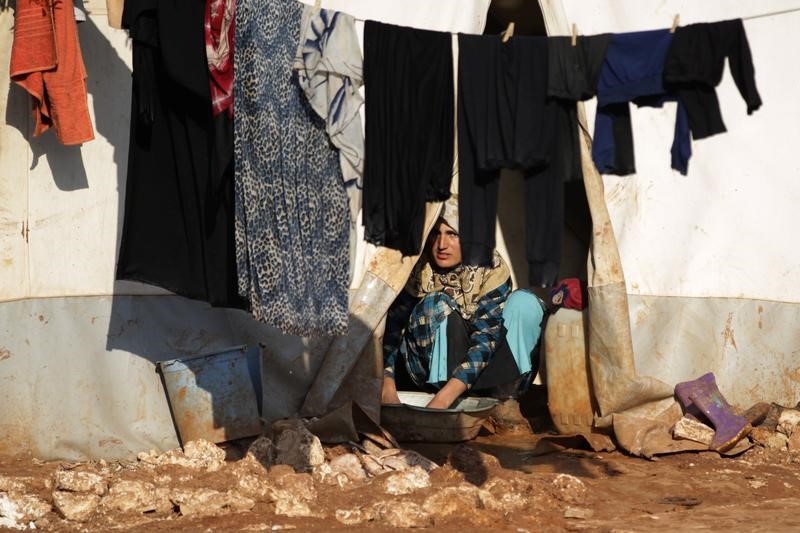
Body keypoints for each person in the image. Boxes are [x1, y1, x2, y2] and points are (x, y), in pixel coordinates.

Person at [382, 198, 546, 409]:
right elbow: (391, 332)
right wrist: (387, 385)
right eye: (435, 233)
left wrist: (442, 402)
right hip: (427, 373)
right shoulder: (415, 268)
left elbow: (485, 339)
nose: (442, 245)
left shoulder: (491, 268)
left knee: (526, 302)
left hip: (481, 363)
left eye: (453, 234)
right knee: (435, 303)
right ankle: (442, 393)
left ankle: (505, 399)